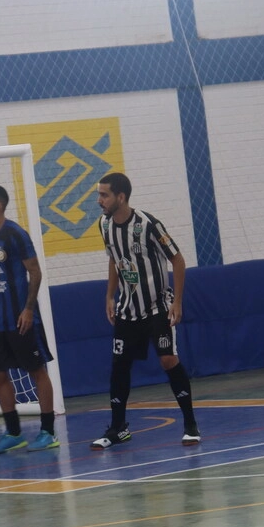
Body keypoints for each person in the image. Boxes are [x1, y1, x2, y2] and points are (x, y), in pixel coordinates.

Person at [91, 172, 200, 448]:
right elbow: (114, 260)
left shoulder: (148, 224)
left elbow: (178, 260)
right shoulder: (104, 225)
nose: (99, 200)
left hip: (157, 306)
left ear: (121, 197)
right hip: (128, 309)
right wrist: (109, 295)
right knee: (119, 366)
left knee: (168, 360)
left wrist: (177, 302)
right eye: (99, 194)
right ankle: (118, 429)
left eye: (104, 195)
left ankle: (190, 425)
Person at [0, 185, 59, 454]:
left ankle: (48, 432)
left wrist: (29, 309)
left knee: (37, 371)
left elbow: (35, 272)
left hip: (21, 318)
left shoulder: (16, 234)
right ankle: (13, 433)